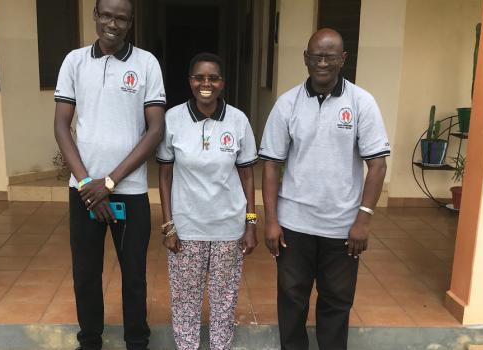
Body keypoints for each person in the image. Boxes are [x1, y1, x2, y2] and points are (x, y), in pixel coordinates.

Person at [259, 28, 390, 350]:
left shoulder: (362, 103)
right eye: (316, 55)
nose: (322, 62)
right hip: (294, 225)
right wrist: (272, 221)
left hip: (343, 227)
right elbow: (271, 166)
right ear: (305, 58)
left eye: (330, 56)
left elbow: (378, 165)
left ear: (343, 59)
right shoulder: (287, 104)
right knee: (292, 300)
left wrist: (364, 220)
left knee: (336, 302)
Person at [53, 0, 166, 349]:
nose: (112, 24)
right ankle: (89, 341)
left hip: (128, 192)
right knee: (86, 274)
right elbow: (61, 125)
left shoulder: (146, 63)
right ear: (95, 16)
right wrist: (88, 182)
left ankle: (137, 341)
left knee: (133, 276)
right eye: (106, 15)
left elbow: (155, 129)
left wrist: (111, 182)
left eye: (121, 18)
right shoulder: (74, 61)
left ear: (130, 22)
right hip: (84, 191)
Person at [156, 52, 258, 350]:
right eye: (199, 77)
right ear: (189, 81)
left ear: (222, 82)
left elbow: (248, 176)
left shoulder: (238, 120)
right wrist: (168, 226)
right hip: (187, 228)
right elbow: (164, 176)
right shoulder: (173, 119)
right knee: (185, 300)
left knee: (224, 299)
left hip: (229, 227)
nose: (206, 84)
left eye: (213, 78)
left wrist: (251, 224)